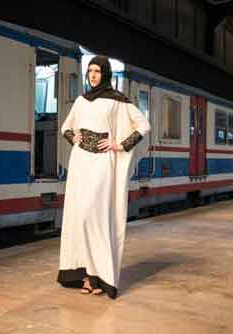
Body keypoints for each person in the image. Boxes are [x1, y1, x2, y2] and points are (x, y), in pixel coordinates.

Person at [56, 55, 151, 299]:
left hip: (101, 163)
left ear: (105, 73)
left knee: (93, 216)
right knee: (79, 218)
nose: (93, 75)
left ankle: (101, 276)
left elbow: (143, 125)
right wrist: (73, 138)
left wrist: (120, 144)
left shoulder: (117, 101)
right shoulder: (81, 101)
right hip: (80, 162)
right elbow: (65, 127)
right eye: (90, 71)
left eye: (97, 71)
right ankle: (87, 277)